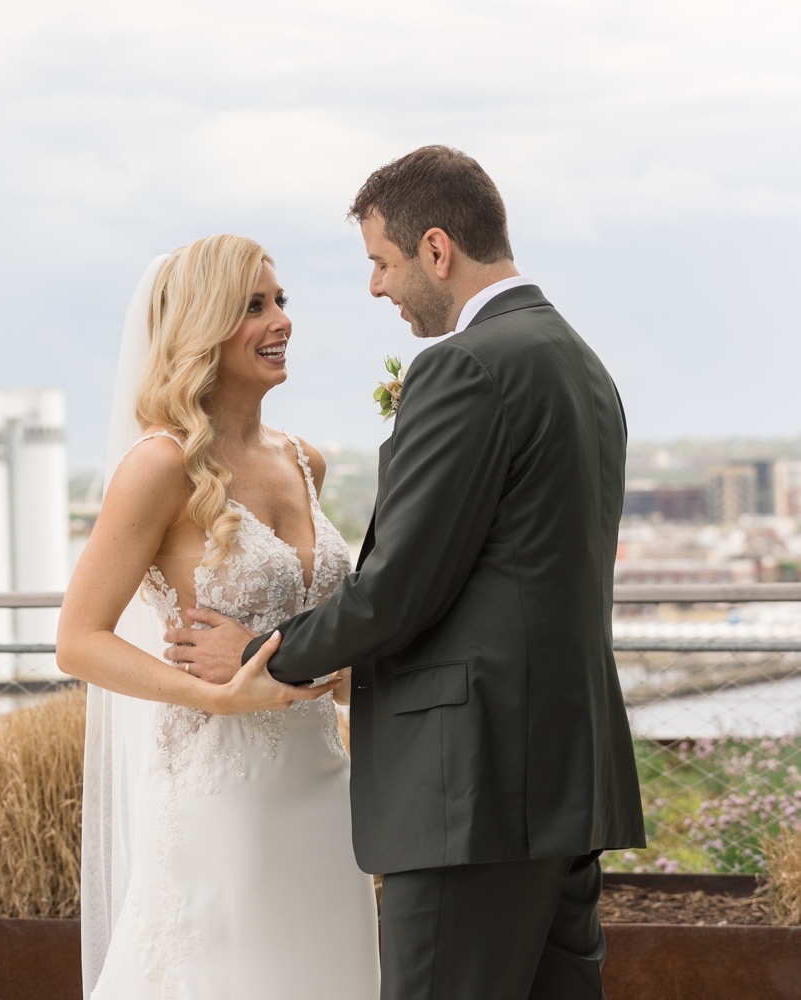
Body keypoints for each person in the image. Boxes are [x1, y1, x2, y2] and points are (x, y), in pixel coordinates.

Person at [167, 146, 646, 1000]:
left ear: (436, 250)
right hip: (565, 781)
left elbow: (400, 590)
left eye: (381, 264)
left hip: (470, 791)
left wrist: (261, 655)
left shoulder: (465, 365)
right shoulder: (579, 363)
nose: (377, 289)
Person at [57, 235, 381, 1000]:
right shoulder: (160, 466)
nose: (281, 321)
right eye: (253, 307)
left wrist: (335, 674)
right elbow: (78, 640)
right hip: (220, 799)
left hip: (324, 793)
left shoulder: (308, 461)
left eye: (281, 302)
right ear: (203, 326)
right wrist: (216, 694)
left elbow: (323, 629)